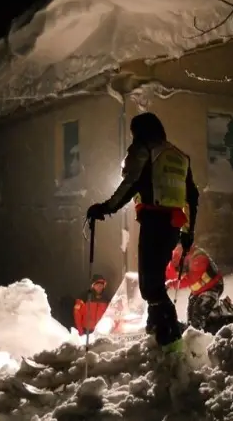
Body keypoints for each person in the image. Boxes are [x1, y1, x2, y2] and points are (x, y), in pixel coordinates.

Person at [86, 112, 200, 354]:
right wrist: (188, 232)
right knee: (154, 280)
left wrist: (106, 208)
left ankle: (170, 338)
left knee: (150, 286)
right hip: (172, 224)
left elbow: (131, 183)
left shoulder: (144, 149)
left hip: (153, 221)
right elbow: (192, 196)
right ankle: (157, 330)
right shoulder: (179, 156)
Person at [165, 242, 229, 333]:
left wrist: (171, 284)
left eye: (180, 270)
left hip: (212, 287)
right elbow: (170, 271)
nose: (180, 273)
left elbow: (189, 280)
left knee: (198, 315)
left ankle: (222, 310)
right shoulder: (176, 258)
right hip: (198, 290)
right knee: (191, 315)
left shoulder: (198, 259)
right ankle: (192, 330)